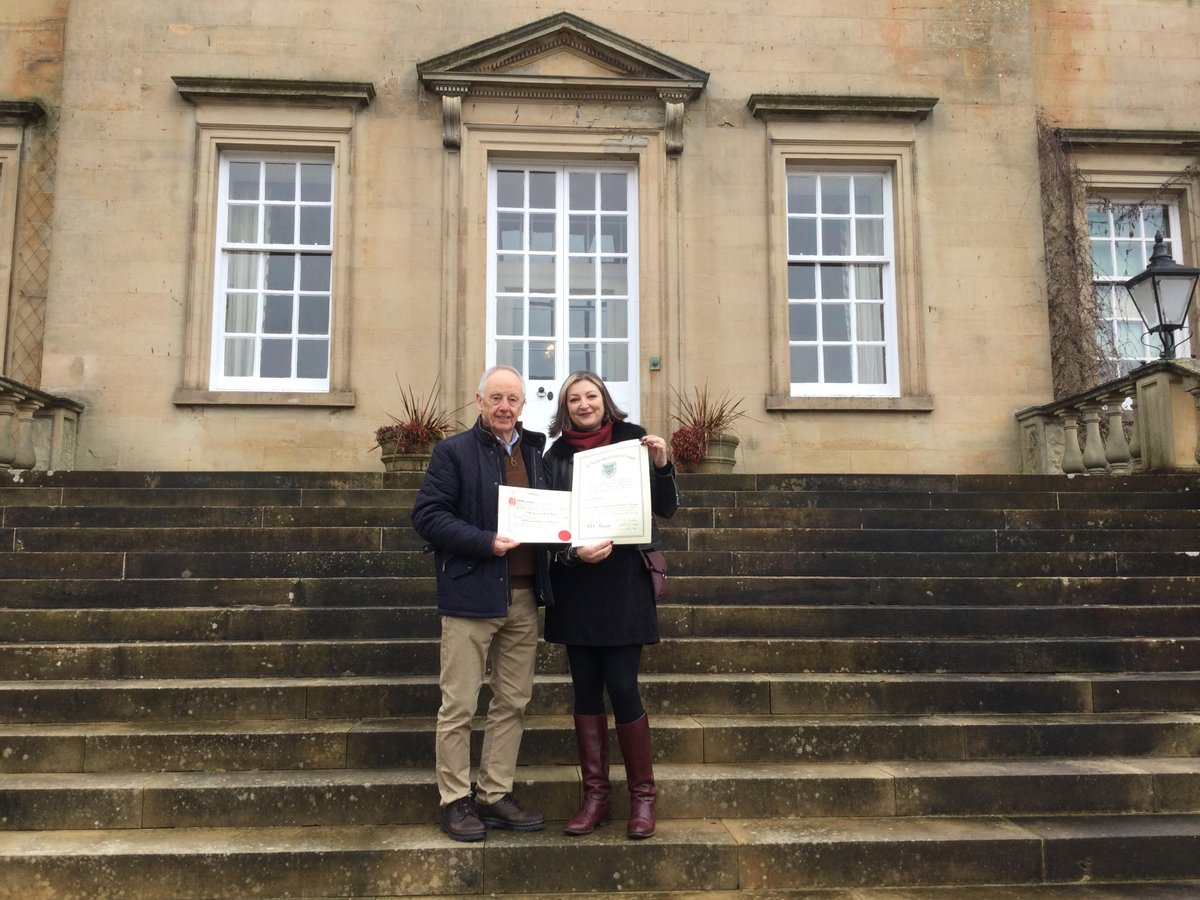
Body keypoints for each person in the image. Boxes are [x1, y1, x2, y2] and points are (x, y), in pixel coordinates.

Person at [411, 365, 555, 842]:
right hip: (472, 595)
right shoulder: (452, 452)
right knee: (459, 705)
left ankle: (494, 793)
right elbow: (428, 516)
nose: (504, 407)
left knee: (513, 702)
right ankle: (455, 800)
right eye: (495, 397)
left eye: (512, 399)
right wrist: (484, 541)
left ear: (523, 404)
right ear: (479, 401)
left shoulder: (537, 452)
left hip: (523, 598)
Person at [542, 371, 678, 839]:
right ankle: (596, 797)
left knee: (622, 688)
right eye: (575, 398)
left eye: (591, 396)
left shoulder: (633, 440)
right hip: (576, 583)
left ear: (605, 400)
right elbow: (548, 527)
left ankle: (643, 798)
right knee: (584, 691)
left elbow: (666, 508)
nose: (584, 404)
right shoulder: (555, 454)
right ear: (566, 408)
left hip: (623, 583)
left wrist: (661, 465)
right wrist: (570, 552)